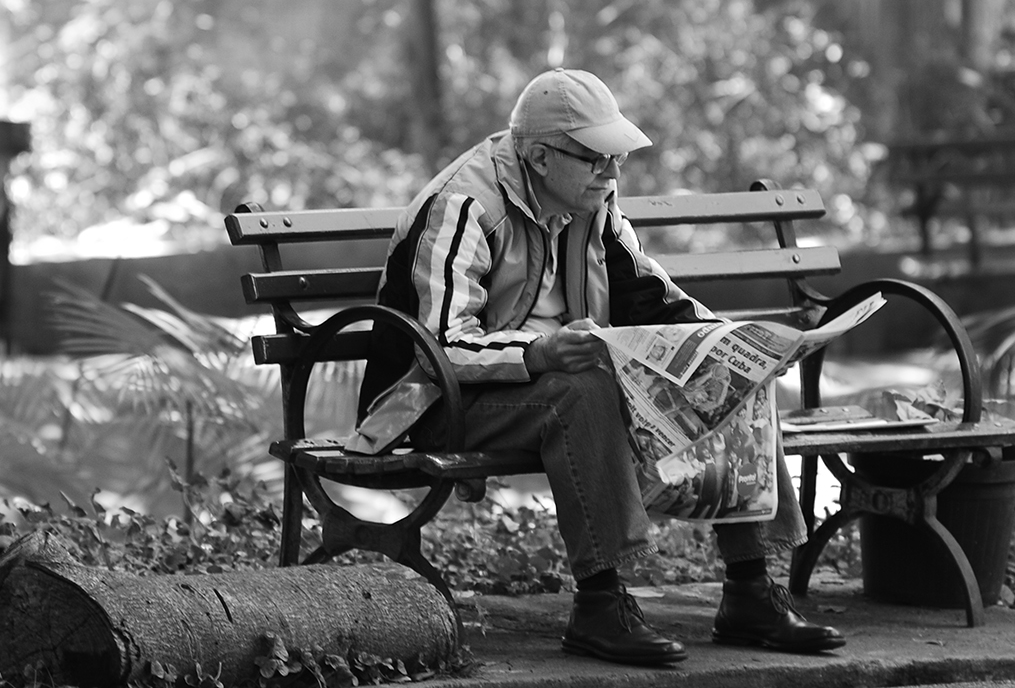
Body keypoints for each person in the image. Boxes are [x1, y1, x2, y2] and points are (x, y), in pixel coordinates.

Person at [360, 68, 844, 666]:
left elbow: (651, 296)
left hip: (557, 383)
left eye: (615, 158)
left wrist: (731, 343)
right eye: (595, 159)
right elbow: (435, 347)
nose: (612, 173)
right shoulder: (461, 206)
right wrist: (538, 353)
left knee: (729, 371)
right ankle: (600, 604)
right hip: (436, 402)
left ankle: (749, 589)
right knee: (582, 388)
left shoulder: (592, 201)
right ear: (539, 157)